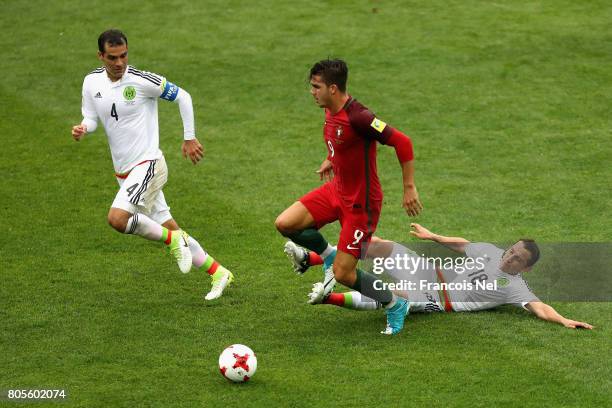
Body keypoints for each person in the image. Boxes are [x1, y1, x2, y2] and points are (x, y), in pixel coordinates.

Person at [71, 29, 233, 300]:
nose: (119, 62)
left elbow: (183, 96)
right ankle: (219, 273)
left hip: (149, 165)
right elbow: (91, 117)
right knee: (169, 226)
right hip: (124, 173)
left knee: (118, 219)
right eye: (112, 57)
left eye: (123, 55)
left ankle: (173, 242)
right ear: (101, 56)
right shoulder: (91, 83)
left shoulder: (141, 80)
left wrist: (189, 137)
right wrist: (84, 128)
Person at [275, 59, 423, 335]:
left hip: (360, 205)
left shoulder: (361, 116)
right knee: (286, 223)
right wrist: (332, 159)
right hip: (337, 189)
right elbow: (344, 143)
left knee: (344, 274)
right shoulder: (331, 110)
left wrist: (409, 187)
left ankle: (394, 303)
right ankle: (328, 255)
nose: (312, 92)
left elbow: (403, 142)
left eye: (316, 87)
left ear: (333, 88)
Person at [284, 224, 593, 329]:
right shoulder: (490, 251)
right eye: (512, 250)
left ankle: (329, 298)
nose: (509, 256)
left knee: (395, 297)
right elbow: (461, 244)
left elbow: (540, 308)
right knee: (379, 246)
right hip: (428, 272)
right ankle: (310, 257)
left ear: (525, 268)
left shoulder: (514, 287)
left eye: (517, 259)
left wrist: (564, 320)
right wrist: (432, 236)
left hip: (436, 298)